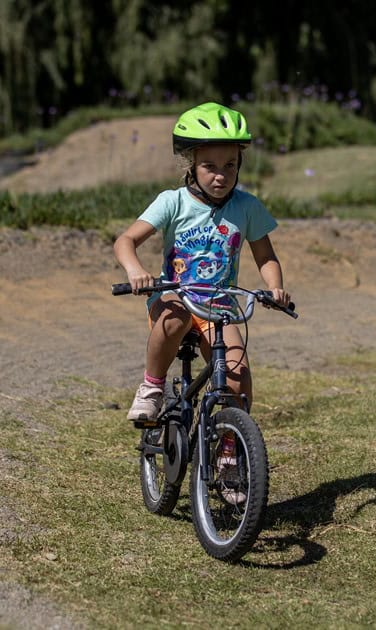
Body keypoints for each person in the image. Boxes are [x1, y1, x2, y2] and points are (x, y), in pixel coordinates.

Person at [114, 101, 291, 426]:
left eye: (230, 165)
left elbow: (265, 256)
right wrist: (136, 271)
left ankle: (230, 444)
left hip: (219, 306)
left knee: (237, 380)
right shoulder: (173, 202)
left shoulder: (247, 207)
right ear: (191, 164)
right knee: (174, 320)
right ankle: (152, 387)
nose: (221, 175)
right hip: (175, 296)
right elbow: (125, 241)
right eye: (210, 166)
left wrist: (275, 287)